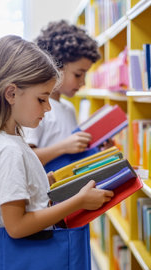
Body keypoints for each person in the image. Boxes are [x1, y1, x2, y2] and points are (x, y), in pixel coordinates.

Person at [0, 35, 114, 270]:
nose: (48, 107)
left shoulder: (11, 140)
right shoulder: (8, 150)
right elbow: (16, 226)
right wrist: (78, 201)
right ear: (11, 93)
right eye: (42, 99)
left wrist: (47, 182)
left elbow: (21, 196)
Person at [24, 20, 106, 166]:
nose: (83, 83)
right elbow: (25, 160)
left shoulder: (68, 108)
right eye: (78, 74)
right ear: (56, 66)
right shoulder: (36, 107)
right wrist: (62, 147)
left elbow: (72, 154)